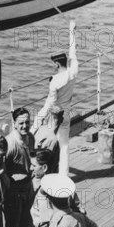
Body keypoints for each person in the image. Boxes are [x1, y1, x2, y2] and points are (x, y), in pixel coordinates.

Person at [32, 19, 78, 176]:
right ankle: (63, 175)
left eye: (54, 64)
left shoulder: (55, 83)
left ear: (57, 64)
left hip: (55, 116)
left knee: (49, 142)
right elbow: (73, 52)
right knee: (64, 145)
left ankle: (49, 172)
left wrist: (34, 127)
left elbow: (48, 106)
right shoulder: (73, 72)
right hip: (67, 112)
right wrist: (72, 30)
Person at [4, 107, 35, 227]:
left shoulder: (30, 138)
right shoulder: (10, 144)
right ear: (14, 123)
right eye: (21, 123)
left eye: (27, 122)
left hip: (27, 189)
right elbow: (3, 171)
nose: (24, 126)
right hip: (14, 192)